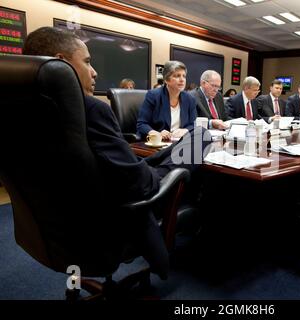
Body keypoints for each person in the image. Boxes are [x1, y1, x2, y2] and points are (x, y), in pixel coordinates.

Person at [23, 27, 212, 280]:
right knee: (200, 141)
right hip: (113, 219)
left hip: (52, 225)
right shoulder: (89, 110)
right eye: (88, 62)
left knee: (185, 144)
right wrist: (168, 169)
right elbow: (140, 184)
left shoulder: (24, 110)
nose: (95, 71)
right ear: (61, 63)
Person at [137, 61, 197, 141]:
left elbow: (194, 124)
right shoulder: (154, 96)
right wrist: (156, 133)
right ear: (166, 80)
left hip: (180, 143)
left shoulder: (190, 99)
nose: (182, 80)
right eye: (177, 76)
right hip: (157, 143)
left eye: (184, 76)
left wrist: (185, 130)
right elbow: (142, 124)